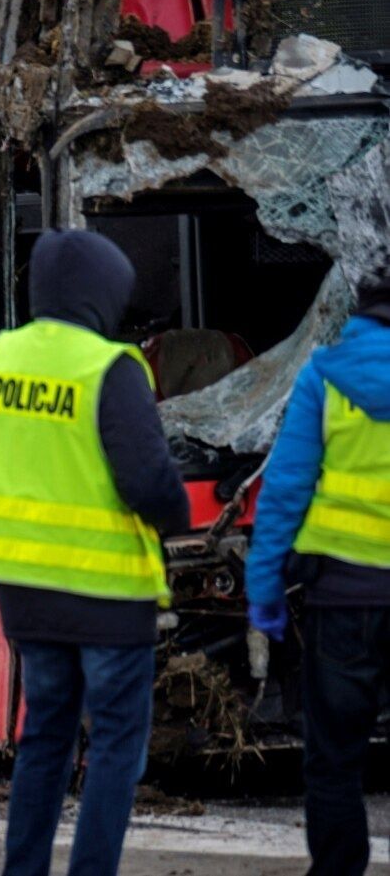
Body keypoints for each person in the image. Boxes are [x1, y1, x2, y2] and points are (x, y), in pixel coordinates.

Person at [0, 229, 189, 876]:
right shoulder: (110, 367)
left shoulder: (0, 359)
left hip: (25, 593)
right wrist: (173, 518)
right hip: (107, 596)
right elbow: (147, 481)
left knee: (44, 736)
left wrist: (1, 509)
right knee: (116, 746)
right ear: (102, 294)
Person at [246, 274, 390, 876]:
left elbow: (283, 490)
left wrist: (264, 590)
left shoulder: (325, 377)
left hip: (343, 604)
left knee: (334, 759)